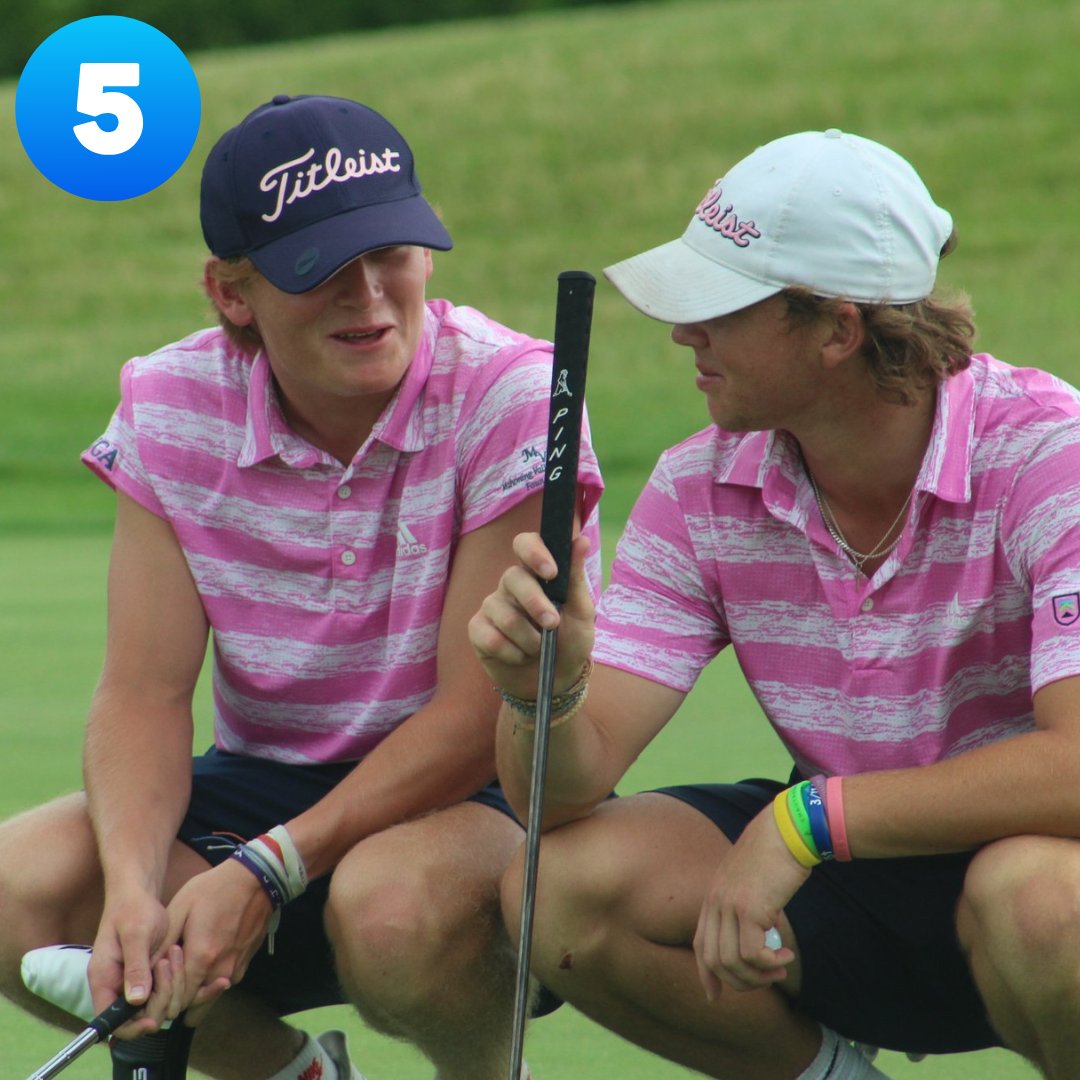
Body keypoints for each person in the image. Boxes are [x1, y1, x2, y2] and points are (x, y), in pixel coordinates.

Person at [0, 93, 603, 1080]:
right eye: (318, 270)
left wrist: (270, 870)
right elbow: (144, 692)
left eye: (393, 253)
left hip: (480, 793)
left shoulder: (511, 396)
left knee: (389, 908)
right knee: (20, 887)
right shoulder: (168, 401)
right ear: (232, 294)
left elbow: (468, 714)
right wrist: (130, 893)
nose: (368, 298)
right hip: (264, 784)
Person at [469, 128, 1080, 1080]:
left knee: (1037, 898)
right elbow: (562, 792)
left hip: (1028, 877)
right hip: (853, 883)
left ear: (837, 330)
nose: (682, 333)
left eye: (718, 307)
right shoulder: (696, 488)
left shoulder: (1052, 457)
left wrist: (809, 822)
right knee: (558, 891)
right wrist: (540, 688)